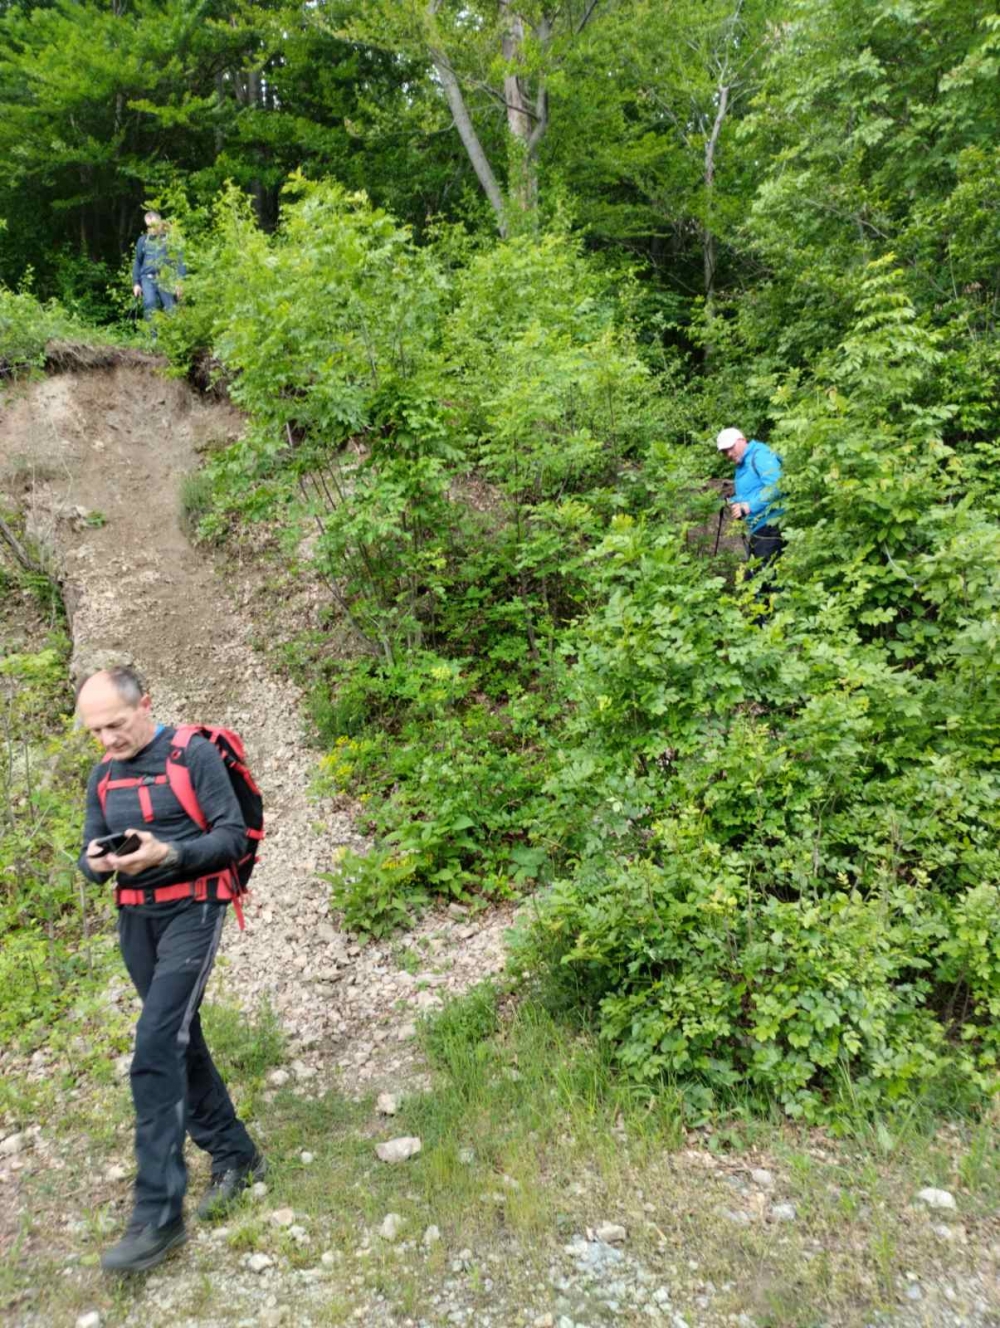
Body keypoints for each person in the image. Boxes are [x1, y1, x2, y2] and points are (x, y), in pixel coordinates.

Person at [76, 666, 265, 1274]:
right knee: (180, 1040)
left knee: (156, 1044)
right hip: (136, 918)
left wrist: (170, 853)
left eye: (116, 724)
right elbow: (90, 855)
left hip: (195, 909)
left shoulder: (192, 755)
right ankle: (236, 1153)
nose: (107, 739)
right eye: (95, 729)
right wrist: (98, 862)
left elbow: (232, 838)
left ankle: (157, 1216)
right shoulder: (102, 776)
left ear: (145, 705)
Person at [716, 426, 784, 569]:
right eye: (724, 452)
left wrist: (748, 507)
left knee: (766, 582)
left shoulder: (759, 455)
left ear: (742, 440)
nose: (728, 454)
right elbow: (755, 490)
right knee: (755, 581)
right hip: (759, 529)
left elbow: (777, 485)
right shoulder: (744, 464)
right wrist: (736, 502)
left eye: (731, 448)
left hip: (771, 526)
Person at [131, 211, 185, 322]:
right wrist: (136, 283)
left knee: (171, 309)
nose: (151, 229)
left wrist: (180, 282)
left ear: (160, 223)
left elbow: (180, 261)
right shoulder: (143, 241)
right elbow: (137, 262)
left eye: (154, 225)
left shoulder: (171, 240)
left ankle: (170, 337)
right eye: (149, 226)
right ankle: (152, 338)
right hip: (148, 279)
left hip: (166, 278)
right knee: (149, 304)